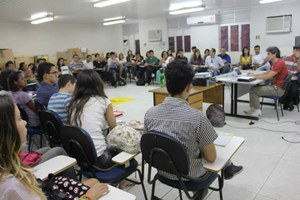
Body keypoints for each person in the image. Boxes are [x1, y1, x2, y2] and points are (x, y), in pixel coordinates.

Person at [144, 61, 243, 190]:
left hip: (163, 173)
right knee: (216, 151)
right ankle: (227, 168)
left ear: (166, 84)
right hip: (193, 178)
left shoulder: (149, 114)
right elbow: (211, 158)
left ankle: (227, 167)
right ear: (188, 87)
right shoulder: (197, 117)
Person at [0, 91, 109, 200]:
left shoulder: (8, 168)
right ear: (6, 130)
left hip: (45, 188)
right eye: (19, 119)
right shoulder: (13, 187)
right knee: (95, 183)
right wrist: (88, 197)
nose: (24, 122)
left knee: (94, 182)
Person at [67, 70, 118, 169]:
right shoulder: (103, 101)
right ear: (98, 83)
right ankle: (122, 181)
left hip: (80, 160)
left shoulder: (73, 103)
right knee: (125, 149)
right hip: (100, 160)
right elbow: (114, 130)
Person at [245, 46, 288, 117]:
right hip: (275, 86)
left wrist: (254, 77)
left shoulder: (279, 63)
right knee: (254, 87)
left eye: (268, 54)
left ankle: (257, 111)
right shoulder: (275, 62)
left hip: (278, 89)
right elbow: (267, 72)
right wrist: (255, 74)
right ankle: (253, 108)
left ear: (274, 54)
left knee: (253, 90)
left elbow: (268, 76)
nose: (267, 56)